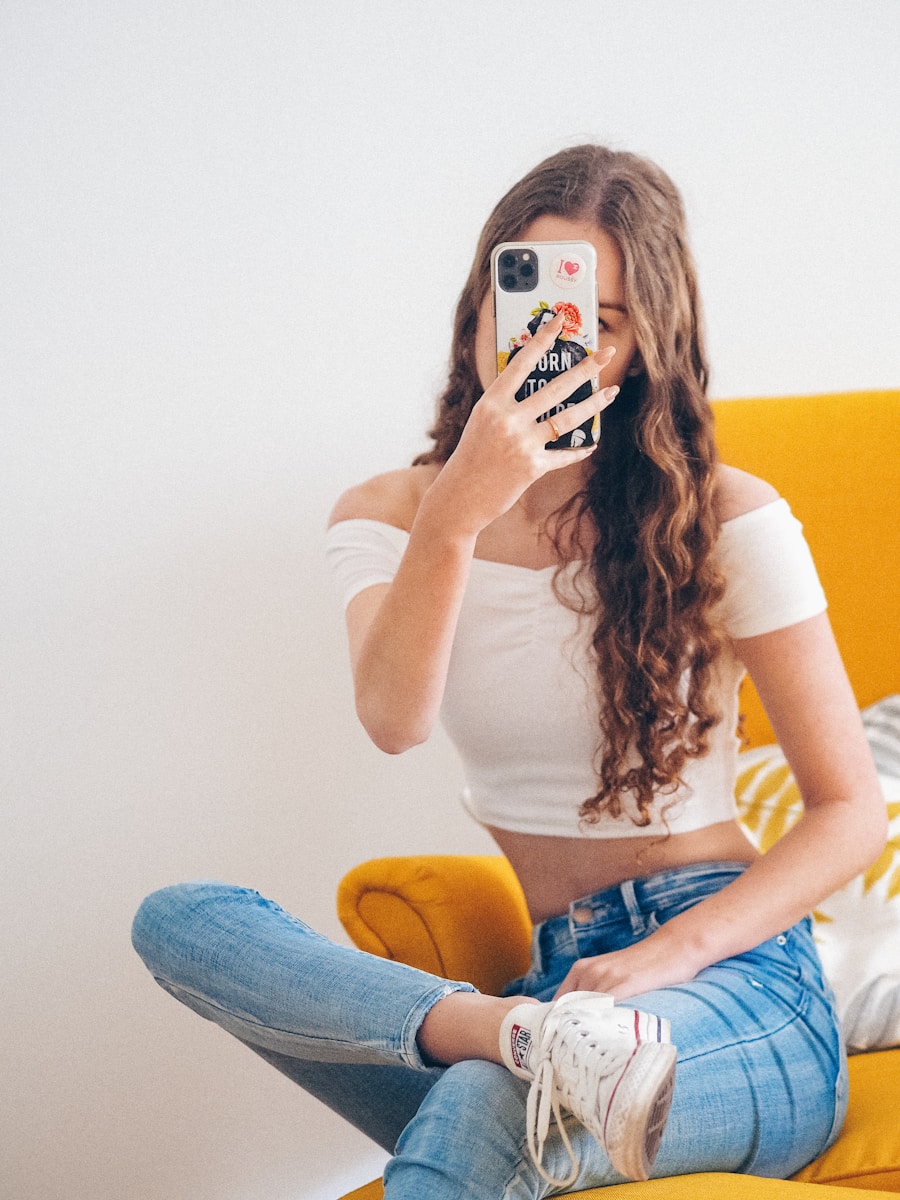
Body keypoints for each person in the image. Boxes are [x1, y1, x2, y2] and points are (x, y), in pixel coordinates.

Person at [132, 145, 887, 1197]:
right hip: (549, 1000)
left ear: (641, 346)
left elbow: (848, 808)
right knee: (181, 919)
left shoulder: (725, 517)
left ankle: (522, 1051)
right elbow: (394, 718)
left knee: (495, 1100)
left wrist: (666, 960)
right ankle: (513, 1037)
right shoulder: (390, 516)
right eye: (526, 293)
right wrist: (457, 510)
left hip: (740, 997)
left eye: (601, 317)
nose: (553, 337)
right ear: (479, 305)